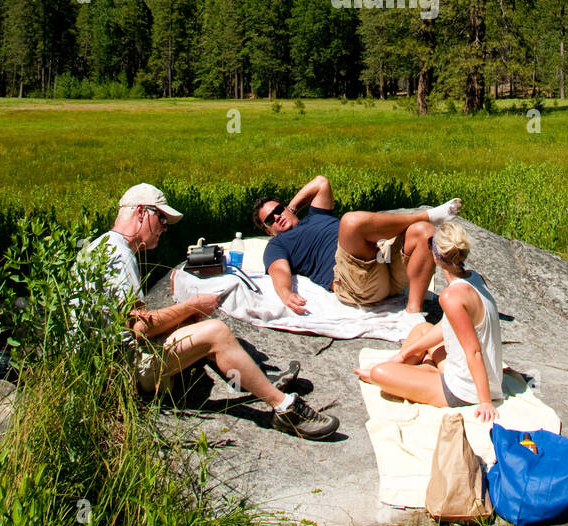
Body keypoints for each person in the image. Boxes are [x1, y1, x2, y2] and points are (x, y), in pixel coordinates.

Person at [80, 182, 339, 440]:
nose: (164, 229)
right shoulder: (120, 256)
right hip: (118, 372)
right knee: (215, 332)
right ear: (140, 213)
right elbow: (139, 327)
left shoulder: (104, 245)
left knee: (190, 323)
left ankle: (248, 382)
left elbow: (128, 324)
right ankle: (285, 408)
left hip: (102, 363)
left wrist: (185, 314)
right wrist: (190, 306)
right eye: (161, 219)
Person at [253, 174, 461, 326]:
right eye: (270, 219)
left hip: (385, 267)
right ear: (268, 229)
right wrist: (286, 292)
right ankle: (426, 214)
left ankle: (413, 313)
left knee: (424, 232)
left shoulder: (314, 215)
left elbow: (321, 182)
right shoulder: (276, 245)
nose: (278, 217)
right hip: (354, 281)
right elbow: (278, 270)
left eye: (278, 210)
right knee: (351, 222)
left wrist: (291, 207)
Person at [353, 221, 503, 421]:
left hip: (465, 389)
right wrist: (404, 353)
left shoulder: (451, 297)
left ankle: (417, 371)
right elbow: (449, 326)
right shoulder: (475, 278)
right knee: (422, 328)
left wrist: (485, 401)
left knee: (379, 373)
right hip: (474, 373)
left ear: (435, 256)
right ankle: (416, 366)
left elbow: (473, 351)